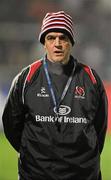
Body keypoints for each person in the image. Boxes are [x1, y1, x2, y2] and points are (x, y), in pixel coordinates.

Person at [2, 11, 108, 180]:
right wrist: (34, 156)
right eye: (51, 38)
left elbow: (99, 129)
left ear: (71, 42)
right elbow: (11, 125)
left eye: (63, 37)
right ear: (44, 42)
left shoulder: (91, 79)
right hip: (36, 175)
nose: (57, 43)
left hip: (82, 175)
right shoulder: (27, 78)